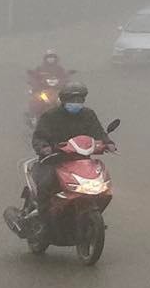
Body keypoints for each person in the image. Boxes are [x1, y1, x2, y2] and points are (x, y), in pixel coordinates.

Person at [24, 82, 108, 229]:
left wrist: (108, 143)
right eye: (72, 100)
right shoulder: (50, 116)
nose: (76, 103)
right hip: (53, 160)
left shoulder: (88, 114)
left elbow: (99, 133)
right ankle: (44, 222)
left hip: (81, 160)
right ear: (63, 100)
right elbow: (39, 137)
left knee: (102, 186)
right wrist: (44, 148)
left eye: (79, 100)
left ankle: (84, 217)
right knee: (45, 185)